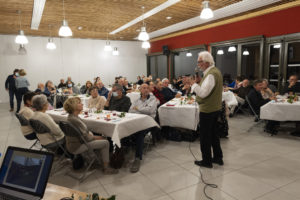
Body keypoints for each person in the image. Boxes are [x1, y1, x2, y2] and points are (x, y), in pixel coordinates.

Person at [63, 97, 118, 174]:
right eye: (79, 103)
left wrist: (94, 136)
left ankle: (92, 159)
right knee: (106, 142)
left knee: (94, 134)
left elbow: (84, 134)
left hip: (73, 144)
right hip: (78, 146)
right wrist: (100, 137)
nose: (82, 104)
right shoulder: (74, 119)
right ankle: (106, 168)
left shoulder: (72, 117)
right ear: (74, 106)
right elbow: (86, 138)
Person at [191, 51, 223, 168]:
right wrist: (200, 82)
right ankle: (218, 158)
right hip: (215, 108)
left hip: (208, 110)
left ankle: (207, 161)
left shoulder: (210, 74)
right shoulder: (215, 71)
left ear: (206, 62)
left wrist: (193, 85)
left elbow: (204, 93)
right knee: (214, 135)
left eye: (200, 62)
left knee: (205, 136)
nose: (198, 64)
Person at [127, 83, 158, 173]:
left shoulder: (153, 99)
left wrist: (138, 109)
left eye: (147, 88)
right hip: (137, 121)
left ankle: (137, 158)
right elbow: (130, 110)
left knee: (140, 133)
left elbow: (149, 111)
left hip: (148, 122)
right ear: (140, 90)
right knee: (127, 129)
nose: (146, 89)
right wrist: (141, 109)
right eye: (144, 88)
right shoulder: (136, 100)